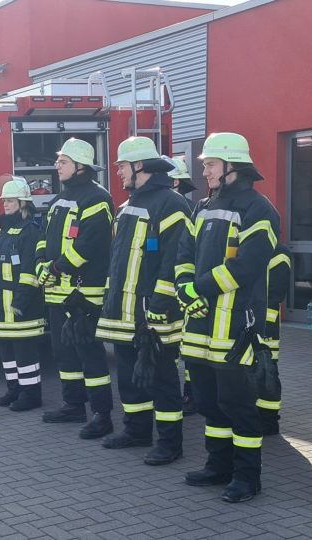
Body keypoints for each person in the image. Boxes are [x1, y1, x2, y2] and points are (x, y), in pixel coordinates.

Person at [175, 132, 280, 503]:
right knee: (208, 402)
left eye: (210, 164)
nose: (204, 171)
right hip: (201, 325)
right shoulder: (201, 207)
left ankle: (247, 477)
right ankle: (218, 465)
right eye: (205, 165)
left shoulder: (259, 209)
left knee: (239, 406)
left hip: (236, 326)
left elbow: (247, 266)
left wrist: (197, 289)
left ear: (232, 166)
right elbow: (184, 251)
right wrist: (184, 285)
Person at [95, 137, 190, 465]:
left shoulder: (172, 204)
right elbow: (119, 261)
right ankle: (135, 430)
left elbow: (175, 261)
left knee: (162, 379)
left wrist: (159, 307)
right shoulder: (126, 206)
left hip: (153, 314)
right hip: (123, 312)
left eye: (122, 165)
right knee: (129, 376)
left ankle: (169, 442)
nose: (118, 171)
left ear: (140, 167)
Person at [35, 138, 115, 437]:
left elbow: (89, 245)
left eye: (64, 161)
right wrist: (42, 261)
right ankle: (73, 405)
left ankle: (102, 414)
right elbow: (44, 237)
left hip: (83, 294)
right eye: (59, 161)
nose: (57, 165)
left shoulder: (97, 199)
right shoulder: (59, 199)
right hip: (57, 291)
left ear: (81, 166)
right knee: (63, 352)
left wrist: (55, 268)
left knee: (90, 354)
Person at [0, 177, 45, 411]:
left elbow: (29, 273)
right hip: (2, 305)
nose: (6, 205)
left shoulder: (30, 232)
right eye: (5, 201)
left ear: (23, 204)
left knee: (25, 354)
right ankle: (14, 390)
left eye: (10, 201)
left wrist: (20, 303)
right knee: (7, 351)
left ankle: (31, 395)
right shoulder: (4, 230)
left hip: (21, 308)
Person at [165, 155, 199, 415]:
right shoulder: (186, 206)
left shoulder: (183, 208)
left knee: (185, 345)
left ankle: (190, 394)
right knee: (180, 346)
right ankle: (188, 394)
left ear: (175, 180)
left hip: (183, 289)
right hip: (180, 288)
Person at [258, 244, 291, 435]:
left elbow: (276, 292)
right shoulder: (252, 247)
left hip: (267, 325)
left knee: (268, 373)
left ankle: (269, 421)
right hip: (253, 321)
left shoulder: (280, 253)